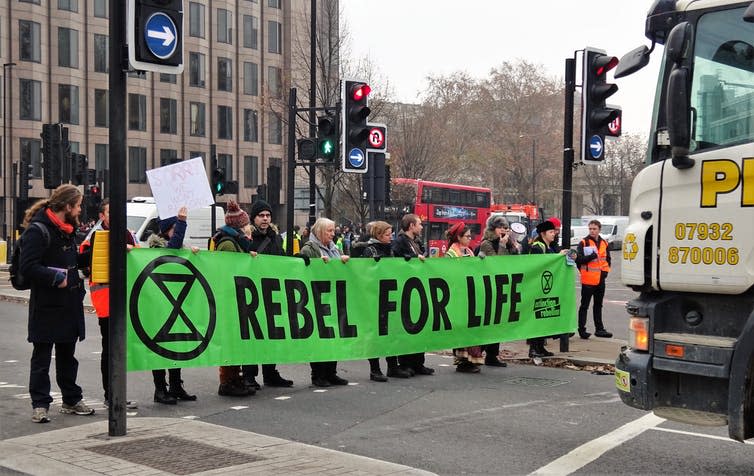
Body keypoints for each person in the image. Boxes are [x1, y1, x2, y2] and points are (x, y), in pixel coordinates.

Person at [19, 184, 95, 423]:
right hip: (47, 304)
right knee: (42, 357)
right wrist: (56, 277)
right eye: (79, 205)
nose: (80, 209)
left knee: (67, 355)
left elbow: (71, 259)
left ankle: (71, 400)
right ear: (67, 206)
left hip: (69, 303)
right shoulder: (38, 231)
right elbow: (28, 267)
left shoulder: (67, 229)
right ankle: (40, 404)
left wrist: (95, 253)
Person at [79, 199, 138, 409]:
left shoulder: (129, 234)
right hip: (105, 300)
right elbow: (82, 261)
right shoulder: (95, 236)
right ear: (102, 216)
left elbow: (140, 261)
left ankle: (117, 392)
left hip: (126, 299)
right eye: (111, 212)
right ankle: (110, 394)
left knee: (120, 347)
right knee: (110, 347)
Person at [148, 206, 198, 404]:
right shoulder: (156, 247)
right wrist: (182, 222)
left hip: (176, 303)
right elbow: (172, 251)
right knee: (160, 348)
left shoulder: (179, 246)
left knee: (176, 345)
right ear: (168, 228)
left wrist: (194, 254)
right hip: (159, 304)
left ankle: (176, 385)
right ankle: (160, 389)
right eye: (175, 227)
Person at [242, 199, 294, 390]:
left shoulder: (275, 237)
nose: (265, 219)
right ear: (253, 218)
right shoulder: (247, 237)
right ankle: (249, 375)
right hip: (251, 292)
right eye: (261, 215)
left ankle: (270, 372)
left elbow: (281, 260)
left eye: (268, 215)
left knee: (272, 335)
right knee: (253, 335)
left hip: (271, 291)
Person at [298, 217, 350, 387]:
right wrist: (319, 265)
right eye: (329, 231)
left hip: (333, 298)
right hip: (317, 299)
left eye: (333, 230)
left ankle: (331, 372)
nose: (333, 234)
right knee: (320, 338)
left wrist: (342, 263)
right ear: (320, 231)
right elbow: (305, 272)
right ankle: (318, 374)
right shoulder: (309, 249)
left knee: (333, 337)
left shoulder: (333, 248)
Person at [213, 200, 256, 397]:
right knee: (230, 339)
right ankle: (228, 380)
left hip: (235, 296)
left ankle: (234, 377)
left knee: (236, 339)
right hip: (229, 297)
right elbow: (227, 270)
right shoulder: (228, 243)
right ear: (239, 225)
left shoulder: (235, 241)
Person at [361, 221, 409, 382]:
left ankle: (392, 366)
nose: (391, 237)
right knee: (375, 334)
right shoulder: (370, 250)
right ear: (379, 235)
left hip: (390, 295)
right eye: (388, 234)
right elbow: (364, 274)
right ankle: (374, 369)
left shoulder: (391, 250)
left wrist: (405, 262)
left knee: (392, 332)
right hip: (374, 298)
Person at [391, 214, 434, 377]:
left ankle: (418, 363)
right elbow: (395, 263)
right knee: (408, 327)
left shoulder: (416, 242)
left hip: (418, 288)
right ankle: (406, 363)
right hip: (406, 289)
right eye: (419, 224)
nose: (422, 227)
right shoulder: (400, 242)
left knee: (420, 327)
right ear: (411, 226)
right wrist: (409, 259)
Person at [477, 214, 521, 368]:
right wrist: (502, 246)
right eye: (501, 227)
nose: (504, 230)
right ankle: (478, 352)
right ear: (493, 228)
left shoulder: (508, 243)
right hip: (489, 289)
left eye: (506, 228)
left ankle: (492, 355)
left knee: (498, 324)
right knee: (488, 324)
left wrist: (514, 247)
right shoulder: (486, 244)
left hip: (503, 288)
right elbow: (496, 264)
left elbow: (515, 263)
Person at [445, 222, 483, 373]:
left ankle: (471, 360)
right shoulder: (451, 253)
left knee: (472, 328)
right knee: (462, 328)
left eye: (470, 236)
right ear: (458, 237)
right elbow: (449, 274)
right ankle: (462, 361)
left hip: (471, 294)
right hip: (459, 295)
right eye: (467, 236)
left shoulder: (468, 250)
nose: (470, 239)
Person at [527, 220, 568, 358]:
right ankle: (533, 348)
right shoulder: (537, 247)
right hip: (538, 288)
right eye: (551, 232)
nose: (554, 234)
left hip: (547, 288)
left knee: (544, 318)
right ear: (543, 234)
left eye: (554, 232)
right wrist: (558, 256)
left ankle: (540, 347)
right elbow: (539, 265)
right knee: (537, 318)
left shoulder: (550, 246)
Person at [575, 219, 613, 339]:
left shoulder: (604, 243)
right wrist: (590, 257)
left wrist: (605, 272)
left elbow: (608, 259)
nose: (592, 231)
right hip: (588, 280)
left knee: (598, 305)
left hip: (600, 279)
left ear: (599, 230)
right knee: (584, 305)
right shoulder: (584, 242)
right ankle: (582, 329)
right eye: (590, 228)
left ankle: (599, 329)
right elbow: (578, 259)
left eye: (594, 229)